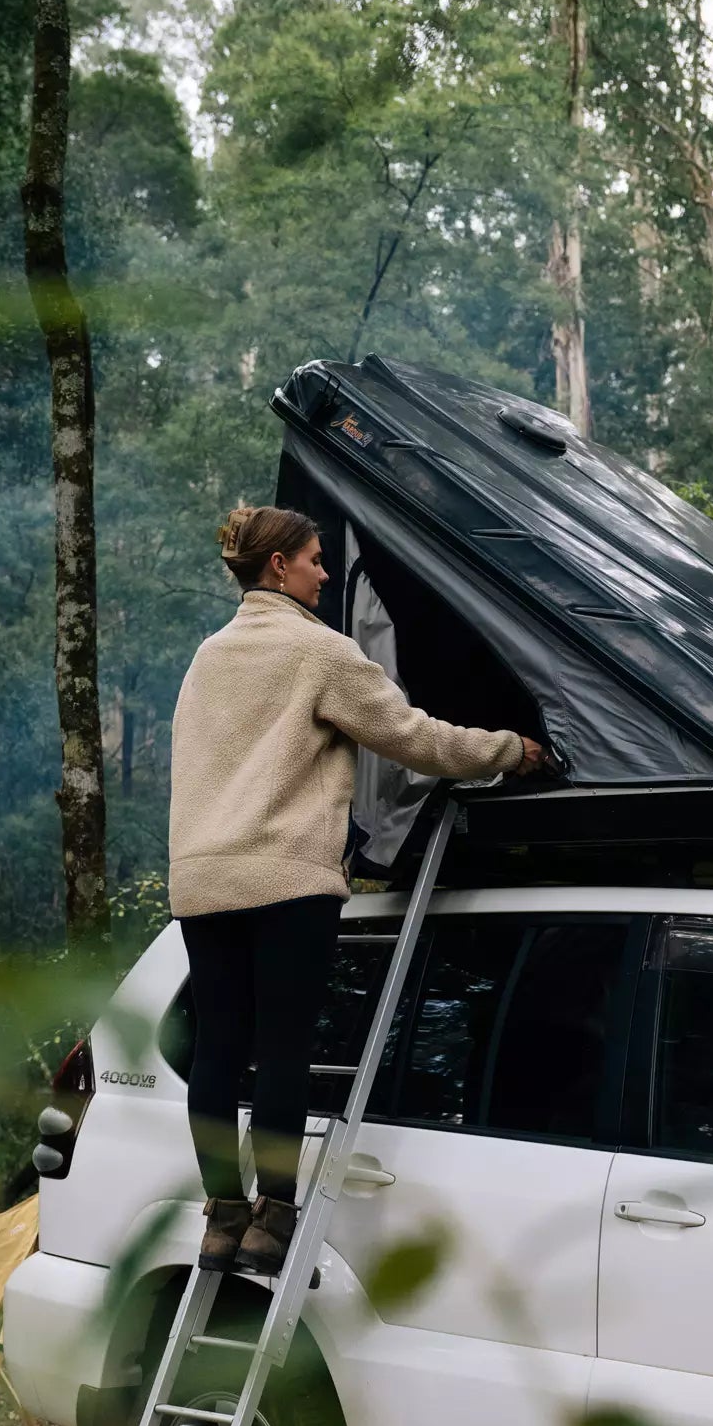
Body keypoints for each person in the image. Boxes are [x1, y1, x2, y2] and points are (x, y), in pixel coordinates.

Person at [168, 504, 546, 1275]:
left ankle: (222, 1218)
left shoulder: (207, 656)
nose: (324, 572)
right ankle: (274, 1219)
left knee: (218, 1051)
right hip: (283, 878)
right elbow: (416, 738)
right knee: (281, 1050)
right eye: (313, 559)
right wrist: (512, 750)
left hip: (203, 877)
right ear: (278, 567)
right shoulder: (319, 652)